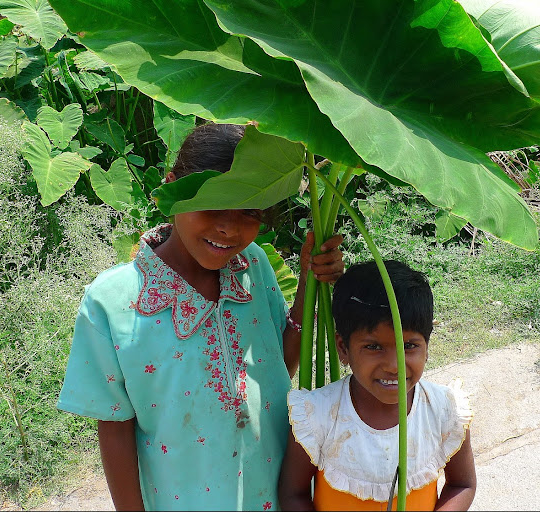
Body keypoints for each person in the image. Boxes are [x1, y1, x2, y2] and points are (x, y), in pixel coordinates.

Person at [57, 122, 345, 511]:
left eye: (248, 210)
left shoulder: (252, 265)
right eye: (213, 204)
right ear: (172, 187)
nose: (228, 227)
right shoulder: (112, 302)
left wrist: (309, 282)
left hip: (276, 495)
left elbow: (278, 366)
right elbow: (114, 428)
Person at [278, 260, 476, 511]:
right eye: (373, 347)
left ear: (427, 346)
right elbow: (293, 494)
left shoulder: (444, 411)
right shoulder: (316, 416)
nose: (394, 366)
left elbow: (462, 485)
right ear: (343, 348)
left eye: (409, 346)